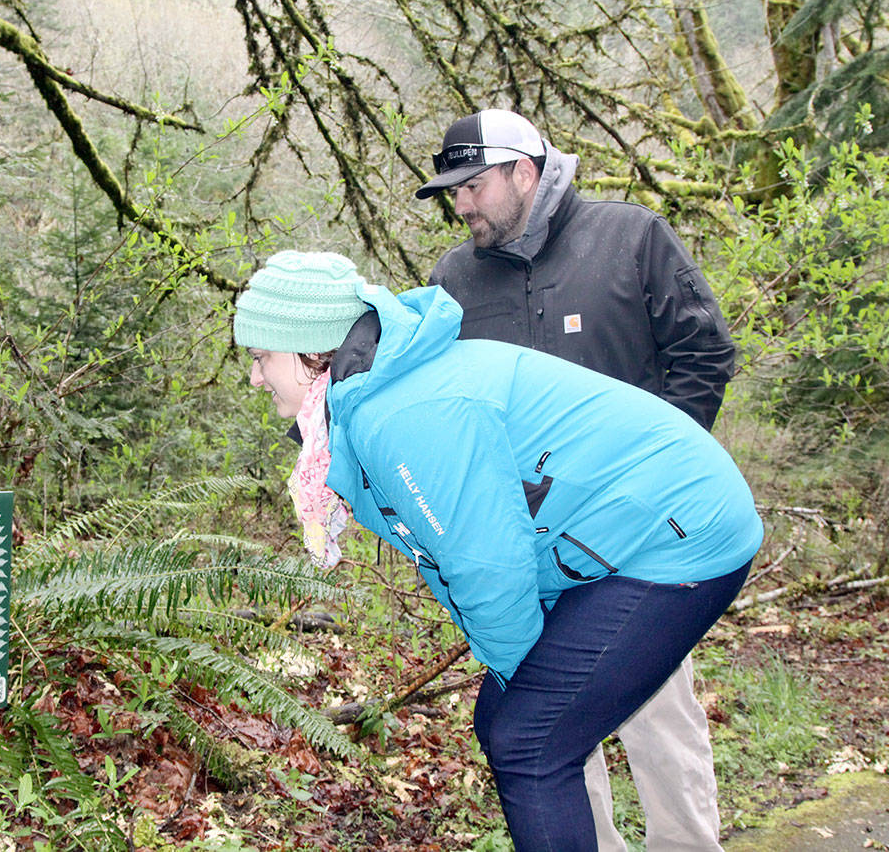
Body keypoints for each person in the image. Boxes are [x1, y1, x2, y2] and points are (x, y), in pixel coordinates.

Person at [232, 250, 761, 852]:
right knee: (510, 723)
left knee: (529, 742)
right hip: (619, 537)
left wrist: (527, 679)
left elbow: (485, 568)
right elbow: (462, 550)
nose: (255, 378)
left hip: (678, 535)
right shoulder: (372, 401)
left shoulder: (402, 414)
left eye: (260, 358)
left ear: (310, 352)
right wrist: (524, 678)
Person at [415, 108, 737, 851]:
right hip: (527, 546)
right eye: (451, 192)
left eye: (472, 186)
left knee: (660, 709)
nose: (460, 205)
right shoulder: (454, 279)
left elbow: (704, 352)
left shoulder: (628, 237)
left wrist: (660, 475)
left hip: (644, 535)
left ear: (523, 172)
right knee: (548, 718)